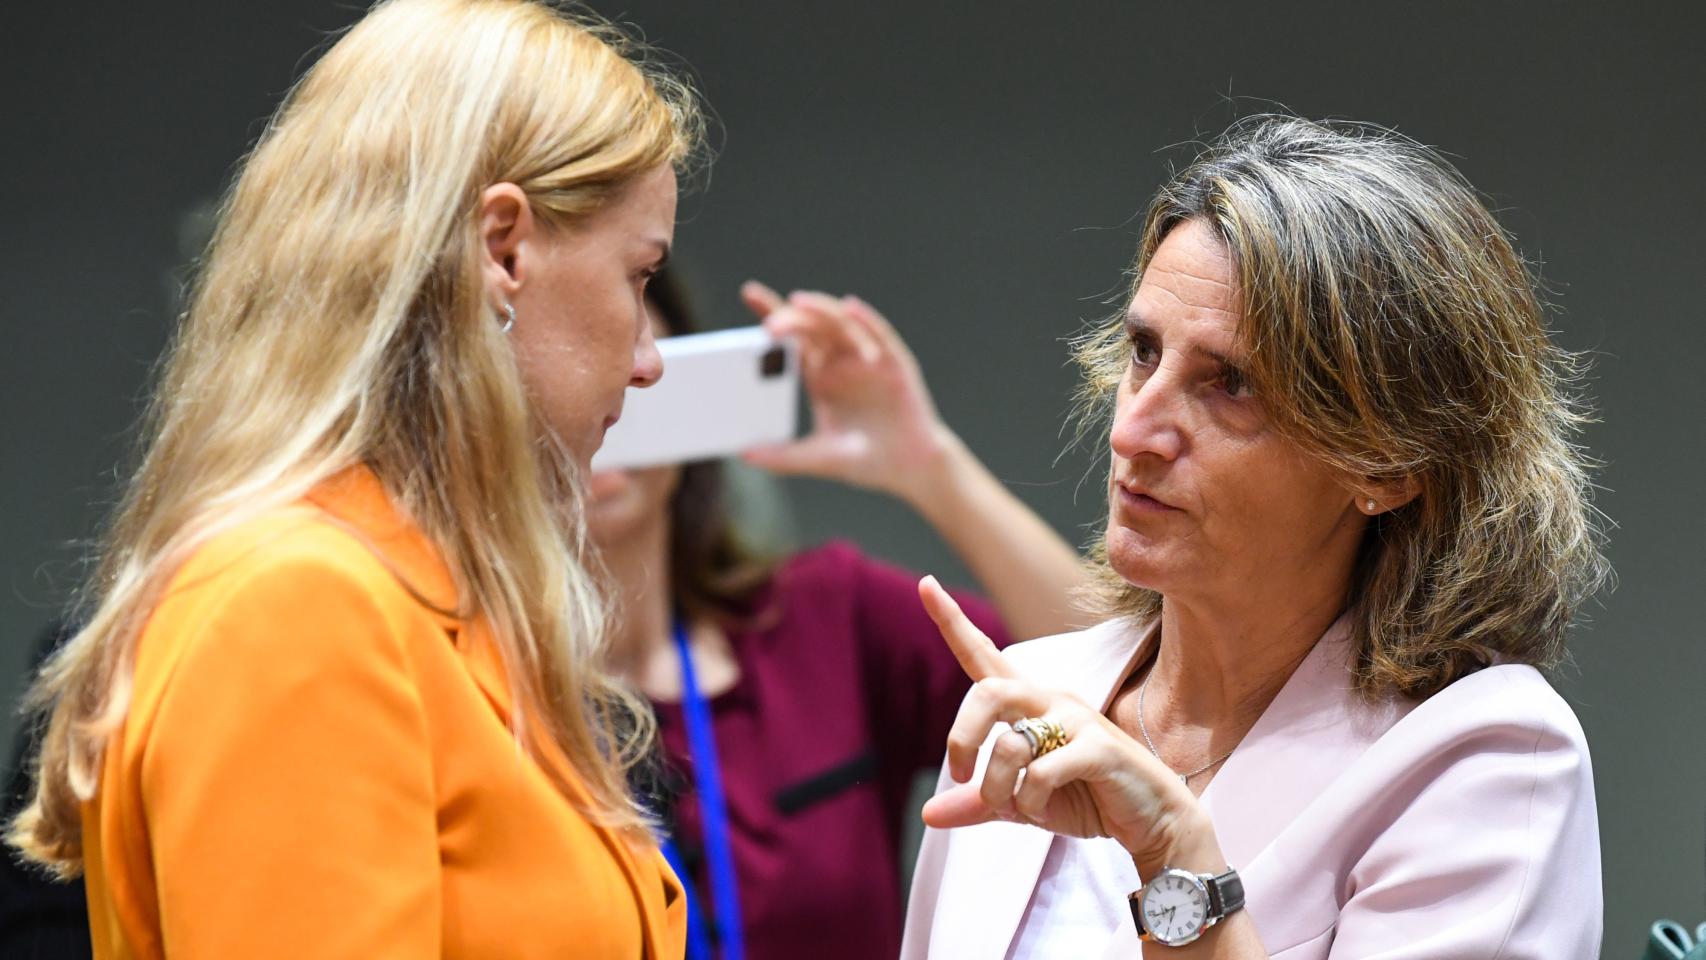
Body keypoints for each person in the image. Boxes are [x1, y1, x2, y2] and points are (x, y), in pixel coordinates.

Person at [7, 0, 704, 956]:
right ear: (504, 249)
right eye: (638, 275)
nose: (647, 360)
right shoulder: (298, 606)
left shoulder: (437, 602)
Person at [902, 116, 1609, 958]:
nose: (1135, 432)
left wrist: (1173, 853)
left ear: (1386, 463)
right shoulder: (1028, 696)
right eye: (1142, 352)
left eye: (1229, 384)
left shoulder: (1483, 759)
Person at [589, 268, 1087, 960]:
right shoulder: (467, 681)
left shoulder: (827, 620)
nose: (604, 412)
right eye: (566, 377)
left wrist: (930, 465)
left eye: (631, 382)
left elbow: (1101, 667)